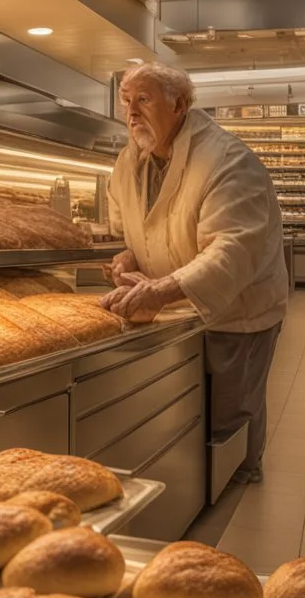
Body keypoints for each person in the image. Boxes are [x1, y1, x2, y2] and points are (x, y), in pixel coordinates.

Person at [102, 62, 288, 485]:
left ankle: (240, 477)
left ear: (180, 104)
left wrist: (162, 289)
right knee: (183, 406)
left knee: (230, 407)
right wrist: (128, 258)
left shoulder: (228, 161)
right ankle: (193, 483)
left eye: (144, 100)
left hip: (237, 309)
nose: (131, 112)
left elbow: (232, 249)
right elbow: (133, 229)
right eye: (126, 102)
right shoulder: (130, 161)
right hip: (173, 306)